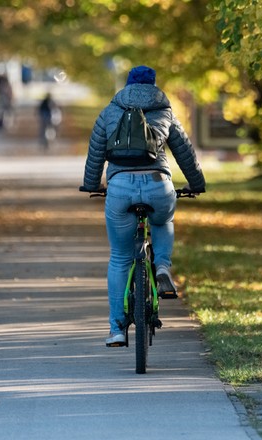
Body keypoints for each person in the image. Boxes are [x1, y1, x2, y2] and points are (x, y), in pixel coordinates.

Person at [80, 65, 206, 347]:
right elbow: (185, 152)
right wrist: (196, 183)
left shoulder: (110, 111)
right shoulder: (165, 111)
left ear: (127, 85)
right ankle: (161, 266)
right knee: (162, 220)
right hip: (157, 183)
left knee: (121, 258)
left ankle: (116, 328)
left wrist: (91, 184)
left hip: (120, 187)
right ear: (153, 85)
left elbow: (96, 151)